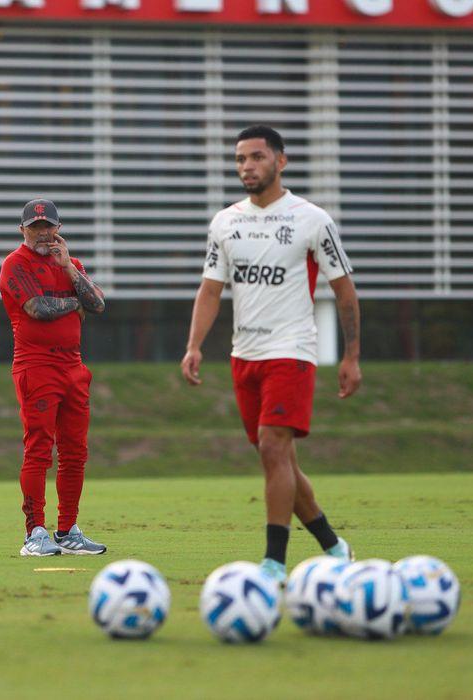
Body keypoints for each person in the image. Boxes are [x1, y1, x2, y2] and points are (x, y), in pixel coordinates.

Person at [180, 125, 360, 583]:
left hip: (292, 351)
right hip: (245, 356)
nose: (247, 166)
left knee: (273, 447)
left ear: (281, 161)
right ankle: (334, 547)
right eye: (241, 159)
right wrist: (194, 345)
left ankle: (274, 564)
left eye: (257, 157)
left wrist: (350, 355)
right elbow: (210, 290)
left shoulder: (312, 219)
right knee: (279, 459)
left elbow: (345, 292)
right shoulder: (225, 222)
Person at [0, 199, 108, 556]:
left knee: (75, 452)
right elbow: (38, 308)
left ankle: (67, 530)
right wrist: (75, 303)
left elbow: (99, 304)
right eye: (35, 227)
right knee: (39, 449)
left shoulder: (70, 264)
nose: (43, 233)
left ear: (58, 229)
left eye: (48, 226)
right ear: (23, 231)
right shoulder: (15, 264)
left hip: (73, 367)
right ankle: (35, 533)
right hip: (36, 366)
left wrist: (71, 273)